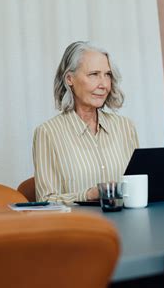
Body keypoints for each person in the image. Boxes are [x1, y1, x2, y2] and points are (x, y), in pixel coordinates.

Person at [33, 41, 139, 203]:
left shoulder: (125, 127)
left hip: (127, 224)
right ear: (70, 79)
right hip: (80, 227)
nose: (103, 84)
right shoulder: (48, 132)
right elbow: (46, 200)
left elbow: (139, 186)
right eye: (94, 74)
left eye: (107, 75)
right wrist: (89, 195)